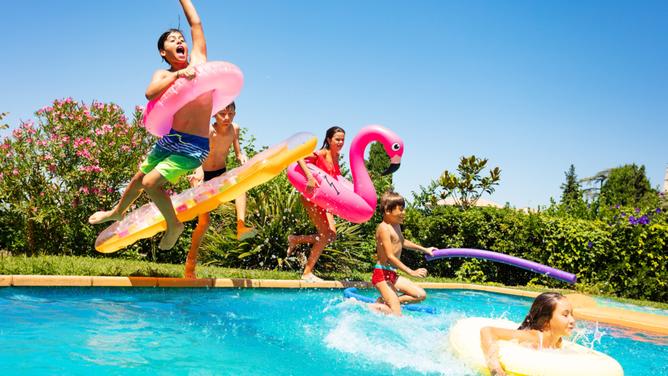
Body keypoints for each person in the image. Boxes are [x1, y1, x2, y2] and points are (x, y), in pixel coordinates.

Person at [89, 0, 212, 250]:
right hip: (171, 138)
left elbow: (195, 23)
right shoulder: (164, 74)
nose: (180, 42)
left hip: (193, 146)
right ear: (162, 52)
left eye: (181, 39)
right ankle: (116, 211)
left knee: (150, 183)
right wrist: (177, 75)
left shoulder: (199, 62)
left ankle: (174, 224)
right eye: (172, 40)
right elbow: (149, 93)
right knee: (139, 178)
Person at [184, 102, 256, 279]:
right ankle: (190, 267)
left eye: (231, 114)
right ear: (214, 114)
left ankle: (241, 226)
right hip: (202, 175)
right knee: (204, 223)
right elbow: (196, 154)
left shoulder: (234, 129)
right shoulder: (208, 130)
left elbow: (237, 153)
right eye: (222, 113)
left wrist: (242, 157)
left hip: (220, 174)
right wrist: (198, 171)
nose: (227, 118)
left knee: (241, 186)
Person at [286, 126, 345, 282]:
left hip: (326, 200)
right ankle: (307, 273)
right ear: (328, 140)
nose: (340, 142)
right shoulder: (323, 153)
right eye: (337, 139)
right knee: (325, 234)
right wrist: (309, 177)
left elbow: (336, 178)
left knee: (331, 235)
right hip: (313, 197)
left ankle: (295, 239)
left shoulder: (336, 156)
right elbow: (299, 157)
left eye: (342, 140)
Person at [369, 191, 436, 316]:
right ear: (388, 211)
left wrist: (425, 249)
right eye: (400, 209)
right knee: (397, 316)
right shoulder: (383, 228)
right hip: (382, 275)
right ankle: (369, 307)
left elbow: (402, 242)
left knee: (420, 295)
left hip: (392, 274)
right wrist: (411, 272)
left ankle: (384, 304)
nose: (404, 212)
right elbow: (390, 256)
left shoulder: (396, 226)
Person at [480, 292, 576, 376]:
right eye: (565, 315)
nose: (572, 320)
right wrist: (495, 369)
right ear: (546, 321)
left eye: (572, 314)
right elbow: (488, 331)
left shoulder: (558, 341)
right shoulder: (533, 338)